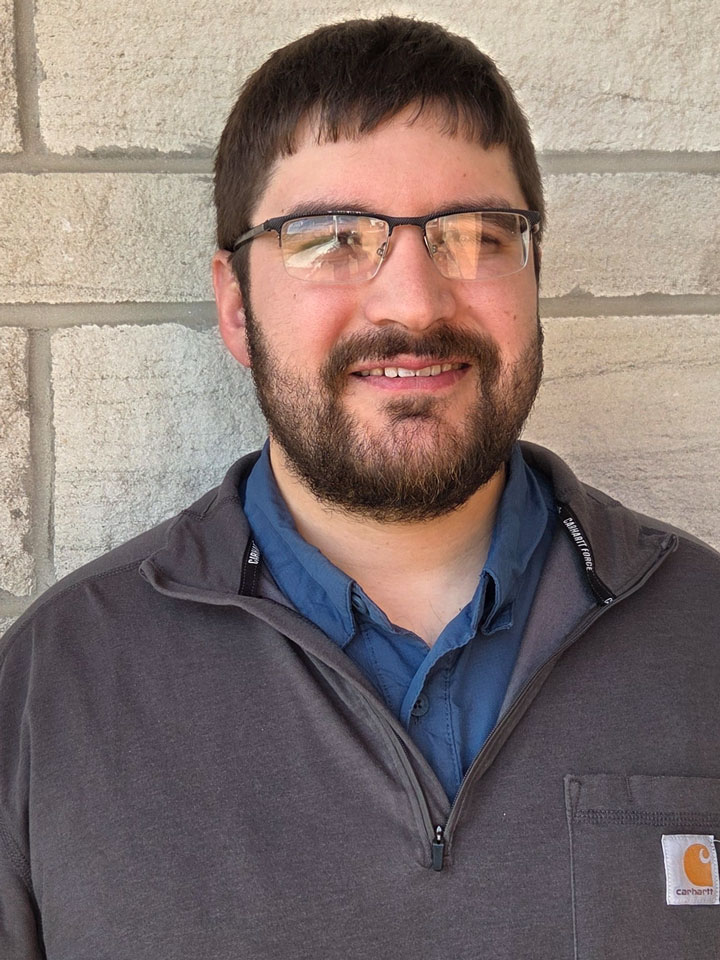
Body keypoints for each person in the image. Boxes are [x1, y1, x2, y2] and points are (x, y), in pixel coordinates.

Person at [1, 16, 719, 960]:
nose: (414, 303)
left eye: (476, 235)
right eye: (332, 239)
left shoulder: (703, 634)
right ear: (234, 304)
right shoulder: (52, 689)